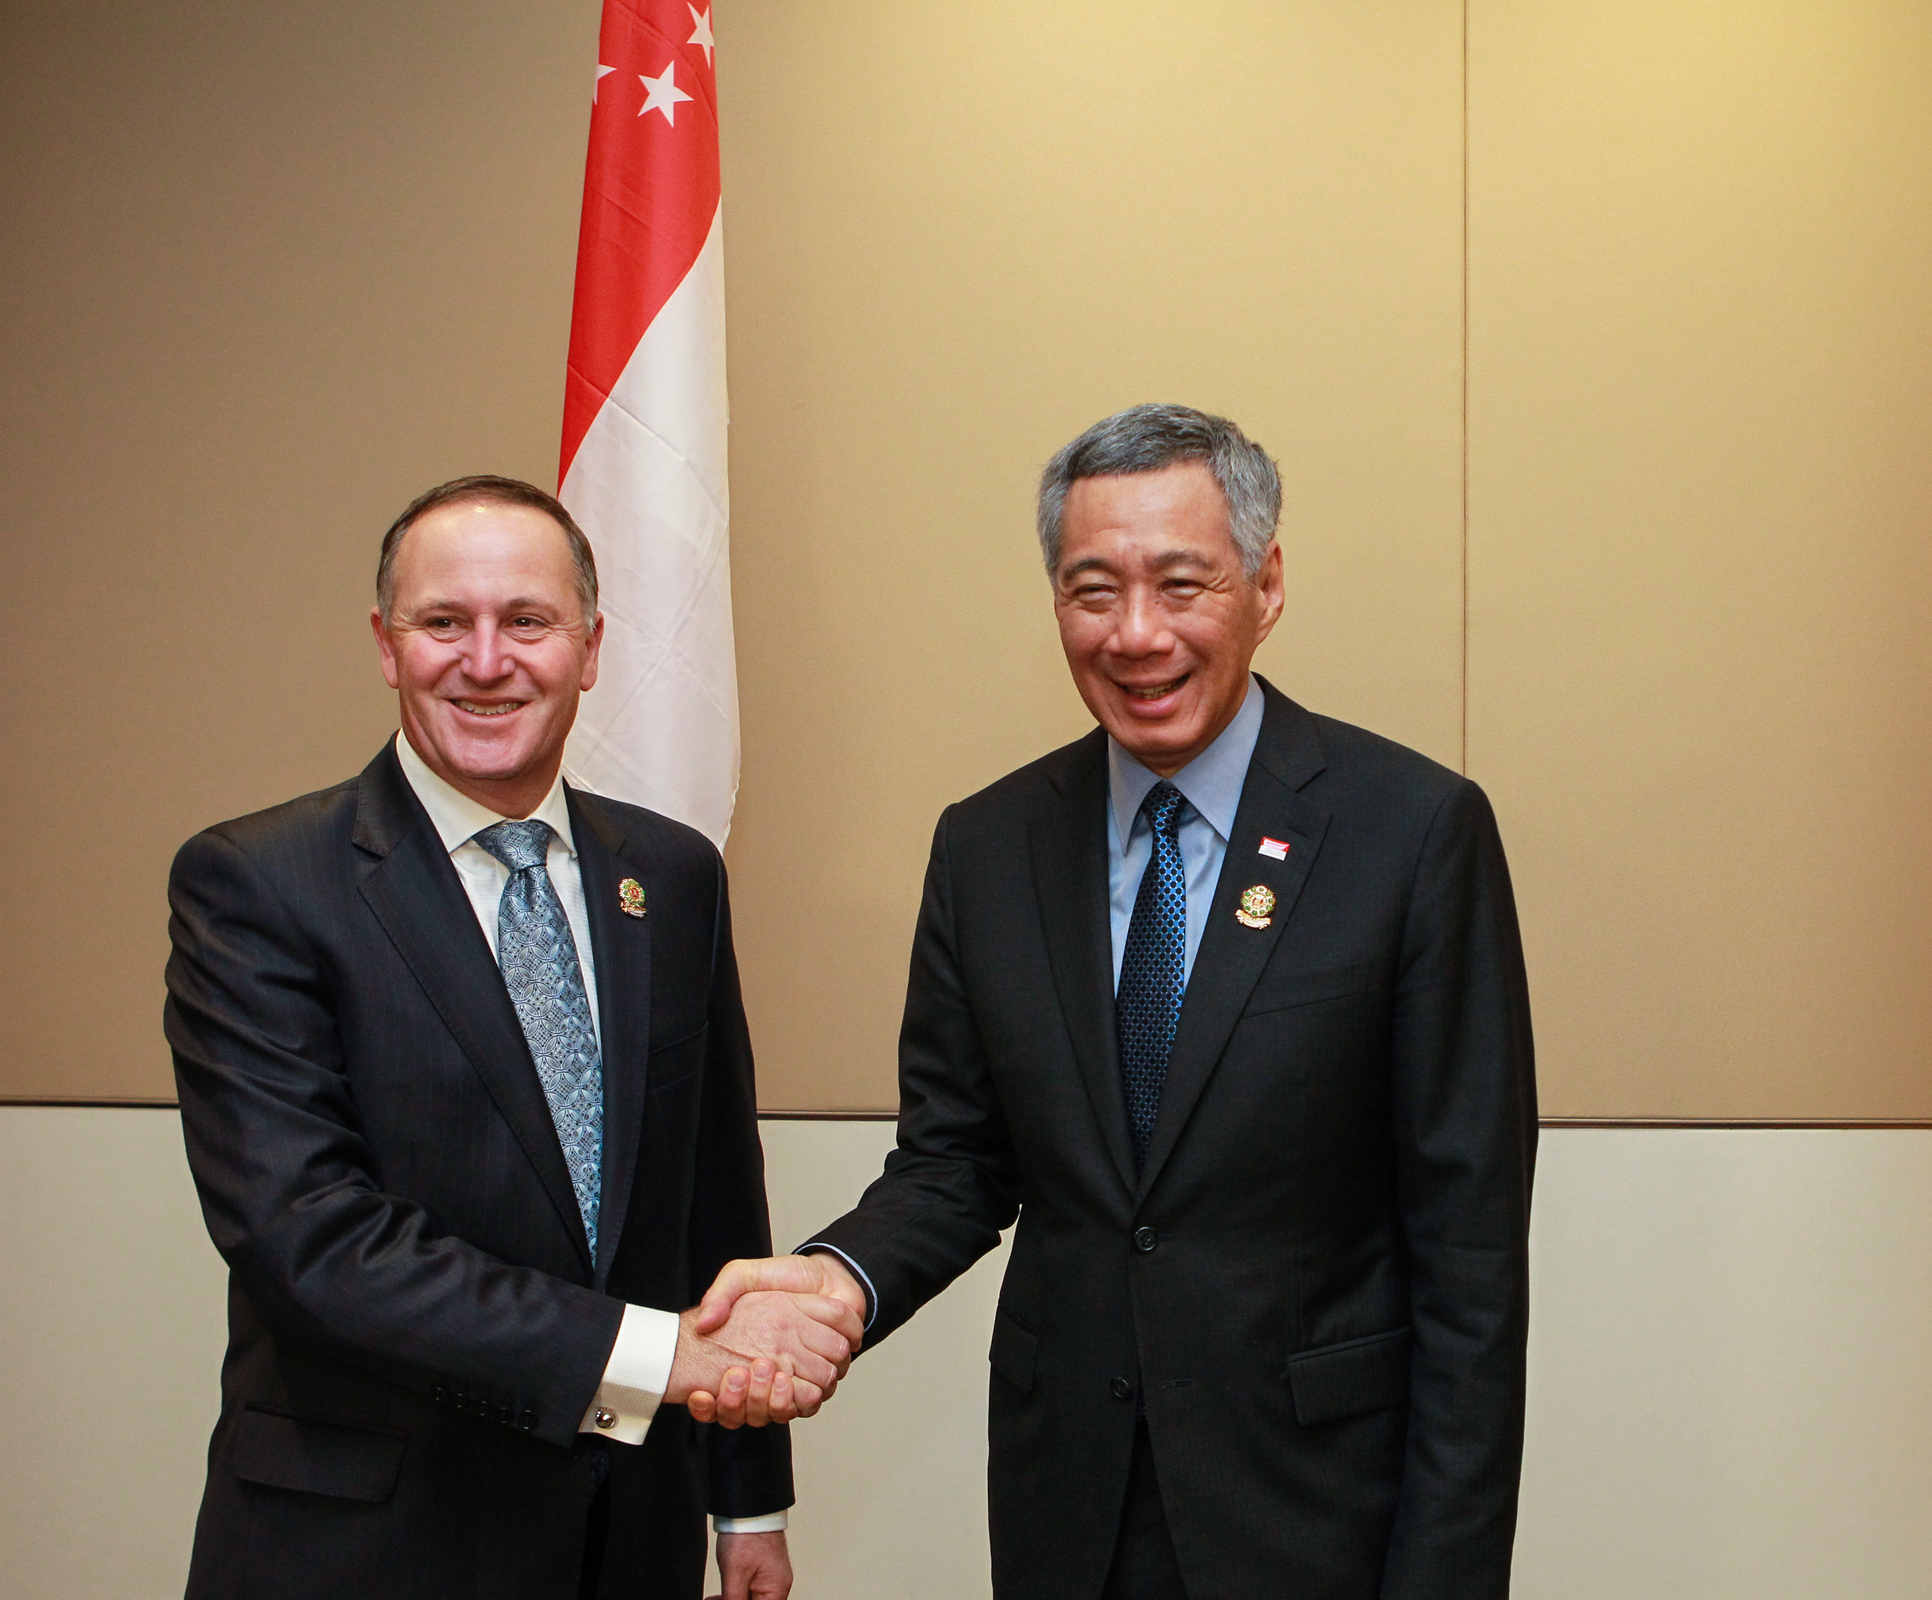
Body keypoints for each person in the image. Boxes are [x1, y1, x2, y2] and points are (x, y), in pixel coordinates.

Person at [697, 406, 1539, 1597]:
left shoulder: (1411, 832)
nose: (1136, 634)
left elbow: (1469, 1260)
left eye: (1180, 583)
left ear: (1266, 582)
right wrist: (840, 1278)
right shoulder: (987, 845)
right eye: (1094, 590)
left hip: (1319, 1514)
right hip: (1070, 1505)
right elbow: (956, 1160)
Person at [166, 476, 857, 1600]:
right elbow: (312, 1241)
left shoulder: (672, 875)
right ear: (386, 645)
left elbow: (712, 1201)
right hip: (367, 1543)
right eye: (445, 621)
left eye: (527, 621)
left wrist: (747, 1499)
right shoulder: (258, 884)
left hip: (626, 1536)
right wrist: (655, 1355)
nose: (486, 661)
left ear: (589, 647)